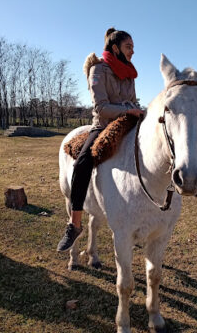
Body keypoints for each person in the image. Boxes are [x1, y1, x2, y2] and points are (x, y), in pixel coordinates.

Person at [57, 28, 144, 252]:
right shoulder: (98, 70)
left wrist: (138, 111)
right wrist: (129, 110)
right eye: (129, 47)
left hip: (129, 123)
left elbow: (133, 100)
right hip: (103, 125)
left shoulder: (129, 72)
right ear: (115, 48)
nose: (133, 51)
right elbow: (101, 107)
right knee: (83, 161)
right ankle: (74, 224)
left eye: (133, 47)